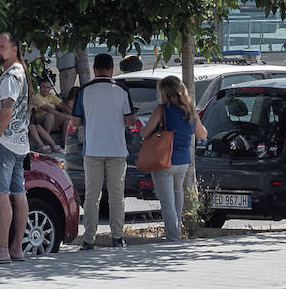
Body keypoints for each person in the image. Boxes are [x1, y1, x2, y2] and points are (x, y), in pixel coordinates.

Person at [73, 52, 133, 249]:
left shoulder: (84, 90)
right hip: (117, 149)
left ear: (94, 69)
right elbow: (129, 120)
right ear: (112, 69)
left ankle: (89, 239)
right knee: (117, 196)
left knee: (92, 196)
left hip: (92, 150)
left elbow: (76, 121)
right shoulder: (122, 90)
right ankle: (117, 238)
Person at [0, 32, 32, 263]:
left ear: (15, 49)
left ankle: (2, 248)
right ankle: (16, 248)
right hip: (19, 144)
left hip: (3, 144)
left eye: (2, 46)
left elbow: (6, 112)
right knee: (18, 194)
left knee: (0, 195)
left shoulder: (11, 76)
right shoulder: (21, 71)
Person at [142, 75, 207, 242]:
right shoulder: (190, 110)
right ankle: (176, 232)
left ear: (164, 92)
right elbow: (202, 134)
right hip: (183, 162)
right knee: (177, 196)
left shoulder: (162, 110)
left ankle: (173, 237)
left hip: (164, 161)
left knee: (167, 203)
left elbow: (145, 132)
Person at [29, 74, 65, 152]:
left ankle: (60, 143)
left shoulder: (51, 95)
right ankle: (42, 144)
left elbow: (62, 105)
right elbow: (46, 108)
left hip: (40, 123)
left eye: (48, 88)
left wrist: (70, 114)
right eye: (44, 87)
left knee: (66, 118)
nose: (45, 89)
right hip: (38, 119)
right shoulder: (35, 95)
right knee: (34, 126)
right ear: (40, 87)